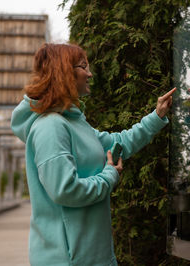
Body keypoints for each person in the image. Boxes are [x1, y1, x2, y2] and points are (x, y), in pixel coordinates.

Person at [11, 43, 176, 266]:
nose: (89, 73)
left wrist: (156, 117)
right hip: (69, 260)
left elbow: (118, 143)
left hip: (90, 256)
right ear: (65, 72)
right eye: (83, 66)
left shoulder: (73, 123)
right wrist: (109, 177)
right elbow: (65, 190)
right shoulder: (50, 127)